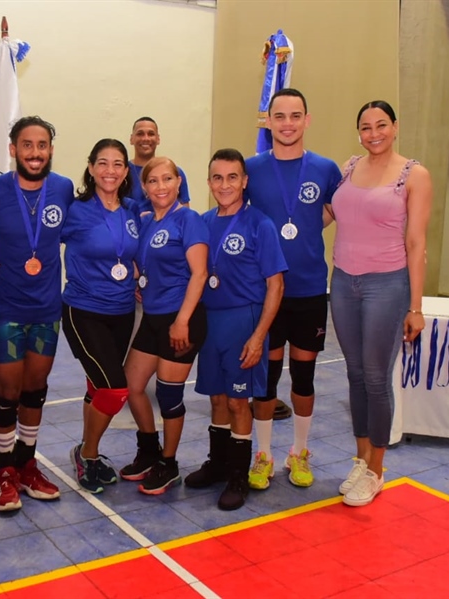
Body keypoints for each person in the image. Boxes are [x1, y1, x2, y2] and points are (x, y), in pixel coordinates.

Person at [327, 100, 432, 507]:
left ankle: (377, 470)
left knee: (375, 377)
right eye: (366, 127)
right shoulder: (351, 167)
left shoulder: (413, 174)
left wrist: (416, 306)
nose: (374, 133)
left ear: (395, 127)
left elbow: (416, 242)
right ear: (358, 132)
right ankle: (361, 457)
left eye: (381, 125)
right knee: (354, 375)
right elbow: (330, 214)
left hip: (387, 285)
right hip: (344, 281)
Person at [0, 116, 74, 512]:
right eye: (27, 145)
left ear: (50, 149)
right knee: (10, 394)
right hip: (7, 309)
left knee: (36, 391)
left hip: (47, 308)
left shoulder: (63, 189)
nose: (35, 153)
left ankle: (27, 465)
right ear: (13, 149)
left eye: (43, 145)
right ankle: (4, 472)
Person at [244, 88, 342, 490]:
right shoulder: (252, 168)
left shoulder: (325, 168)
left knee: (304, 377)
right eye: (279, 116)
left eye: (295, 116)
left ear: (307, 119)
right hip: (267, 292)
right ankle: (263, 454)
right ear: (267, 121)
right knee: (265, 379)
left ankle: (299, 451)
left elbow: (336, 207)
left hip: (309, 289)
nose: (287, 124)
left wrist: (303, 232)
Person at [188, 149, 286, 510]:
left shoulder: (260, 224)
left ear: (244, 182)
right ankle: (218, 464)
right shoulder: (202, 221)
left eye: (233, 177)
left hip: (244, 321)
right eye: (217, 177)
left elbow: (276, 285)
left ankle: (238, 475)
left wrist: (259, 336)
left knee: (237, 400)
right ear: (209, 181)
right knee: (215, 397)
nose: (224, 184)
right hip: (210, 321)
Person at [119, 157, 208, 495]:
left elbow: (199, 273)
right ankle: (149, 449)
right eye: (153, 181)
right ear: (145, 187)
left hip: (181, 317)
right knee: (132, 384)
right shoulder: (146, 223)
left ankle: (169, 464)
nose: (160, 186)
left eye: (167, 179)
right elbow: (142, 264)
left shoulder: (189, 219)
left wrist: (182, 320)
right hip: (154, 316)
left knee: (169, 394)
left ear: (178, 182)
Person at [61, 139, 140, 494]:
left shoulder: (133, 210)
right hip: (83, 310)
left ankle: (88, 454)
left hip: (122, 312)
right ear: (91, 168)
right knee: (115, 389)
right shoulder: (74, 210)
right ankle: (87, 452)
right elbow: (35, 239)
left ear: (125, 171)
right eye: (103, 163)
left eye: (118, 164)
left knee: (97, 386)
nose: (110, 170)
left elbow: (137, 251)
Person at [128, 117, 191, 211]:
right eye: (140, 134)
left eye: (151, 134)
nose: (146, 138)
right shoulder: (123, 172)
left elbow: (184, 214)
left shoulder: (175, 172)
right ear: (132, 139)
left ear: (158, 139)